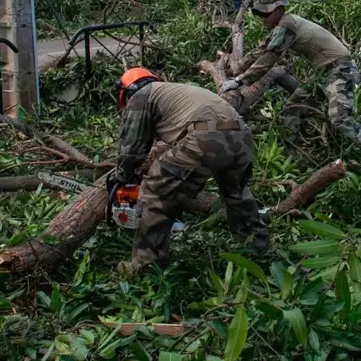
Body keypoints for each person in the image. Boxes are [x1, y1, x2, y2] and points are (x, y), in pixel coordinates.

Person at [110, 68, 269, 277]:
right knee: (236, 193)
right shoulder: (175, 91)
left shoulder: (141, 96)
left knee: (154, 191)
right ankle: (257, 250)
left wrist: (121, 176)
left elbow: (132, 147)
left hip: (205, 138)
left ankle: (146, 265)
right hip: (241, 135)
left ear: (127, 91)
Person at [221, 0, 361, 159]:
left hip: (341, 69)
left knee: (339, 118)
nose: (263, 18)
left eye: (266, 13)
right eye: (260, 14)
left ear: (280, 9)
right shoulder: (281, 25)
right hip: (324, 72)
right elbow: (262, 50)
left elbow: (268, 59)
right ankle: (291, 155)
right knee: (293, 107)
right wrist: (237, 67)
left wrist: (238, 81)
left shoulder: (287, 25)